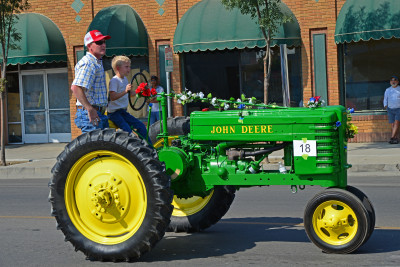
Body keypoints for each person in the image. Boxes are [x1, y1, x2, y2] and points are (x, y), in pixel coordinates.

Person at [71, 30, 110, 133]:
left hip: (98, 113)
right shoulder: (88, 63)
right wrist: (89, 108)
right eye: (99, 42)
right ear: (89, 46)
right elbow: (76, 87)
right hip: (90, 114)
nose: (103, 45)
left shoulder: (96, 62)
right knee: (95, 148)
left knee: (103, 147)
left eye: (104, 42)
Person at [107, 56, 152, 145]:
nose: (129, 69)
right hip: (114, 113)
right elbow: (112, 97)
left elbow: (131, 95)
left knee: (141, 126)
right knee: (127, 131)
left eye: (129, 66)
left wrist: (141, 90)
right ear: (118, 68)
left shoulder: (125, 79)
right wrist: (125, 91)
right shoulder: (114, 81)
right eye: (126, 67)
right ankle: (133, 149)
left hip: (123, 112)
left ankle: (149, 148)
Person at [383, 75, 400, 144]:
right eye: (392, 80)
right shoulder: (388, 90)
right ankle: (395, 139)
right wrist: (386, 106)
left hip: (398, 109)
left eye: (395, 80)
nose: (393, 81)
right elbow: (385, 99)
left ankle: (392, 137)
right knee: (393, 124)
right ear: (390, 82)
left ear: (398, 81)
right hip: (390, 109)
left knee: (396, 123)